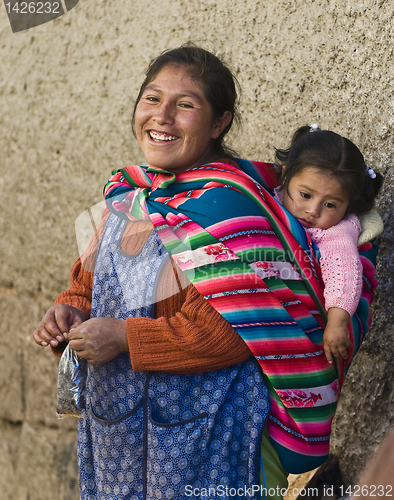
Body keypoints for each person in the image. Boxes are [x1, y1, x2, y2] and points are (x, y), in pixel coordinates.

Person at [32, 45, 380, 500]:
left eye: (186, 105)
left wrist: (122, 337)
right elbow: (87, 285)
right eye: (152, 98)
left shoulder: (233, 211)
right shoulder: (131, 195)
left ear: (220, 123)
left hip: (206, 435)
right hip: (117, 431)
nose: (162, 116)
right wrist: (68, 314)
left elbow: (235, 333)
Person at [273, 125, 383, 363]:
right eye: (306, 195)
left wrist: (336, 324)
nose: (313, 211)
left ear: (348, 206)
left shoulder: (336, 234)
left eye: (330, 205)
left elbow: (344, 274)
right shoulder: (268, 198)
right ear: (285, 176)